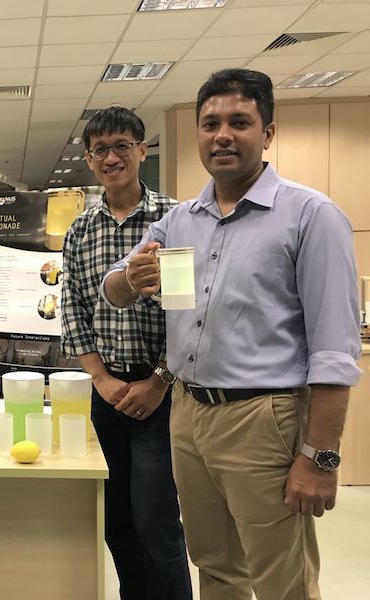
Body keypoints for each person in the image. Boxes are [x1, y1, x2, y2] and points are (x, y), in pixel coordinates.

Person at [103, 68, 361, 600]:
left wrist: (320, 457)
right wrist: (130, 278)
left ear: (267, 132)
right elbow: (112, 290)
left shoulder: (310, 215)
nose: (222, 134)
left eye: (239, 122)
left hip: (262, 417)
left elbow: (335, 352)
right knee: (215, 566)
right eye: (210, 123)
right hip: (187, 413)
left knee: (279, 578)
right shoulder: (179, 221)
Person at [60, 107, 192, 600]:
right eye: (100, 150)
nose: (112, 158)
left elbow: (187, 313)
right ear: (90, 161)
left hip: (161, 393)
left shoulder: (176, 219)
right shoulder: (81, 230)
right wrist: (101, 381)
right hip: (107, 394)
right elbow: (71, 309)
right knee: (116, 522)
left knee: (157, 522)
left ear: (142, 150)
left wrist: (158, 380)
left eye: (122, 146)